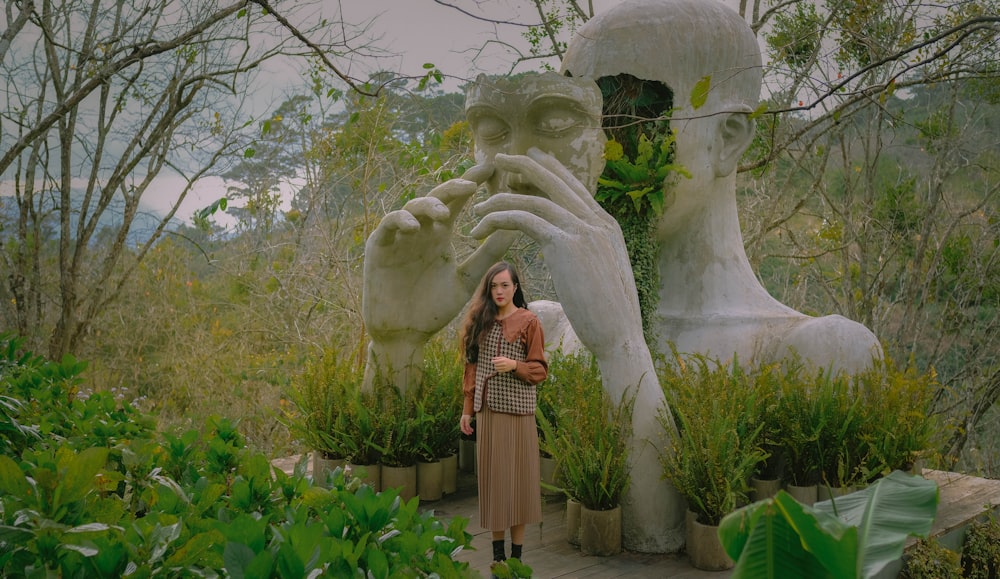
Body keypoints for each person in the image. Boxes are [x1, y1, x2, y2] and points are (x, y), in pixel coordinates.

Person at [459, 261, 548, 570]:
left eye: (505, 285)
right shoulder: (479, 322)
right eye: (494, 286)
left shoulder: (529, 322)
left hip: (519, 415)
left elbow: (539, 369)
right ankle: (498, 559)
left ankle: (518, 558)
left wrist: (515, 366)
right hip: (489, 414)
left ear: (515, 288)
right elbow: (471, 368)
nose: (499, 291)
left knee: (520, 485)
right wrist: (467, 410)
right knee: (495, 484)